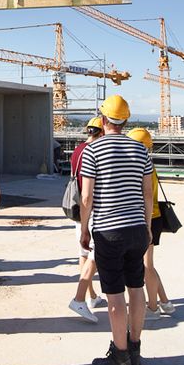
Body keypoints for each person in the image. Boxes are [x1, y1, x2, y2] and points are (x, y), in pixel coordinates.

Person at [80, 95, 154, 365]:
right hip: (137, 228)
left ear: (102, 120)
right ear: (125, 121)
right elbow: (147, 194)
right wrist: (146, 227)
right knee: (136, 287)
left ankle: (120, 357)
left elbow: (87, 196)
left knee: (114, 295)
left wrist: (85, 229)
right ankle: (135, 350)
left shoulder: (92, 150)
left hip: (109, 231)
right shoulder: (140, 149)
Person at [127, 128, 175, 319]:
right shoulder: (148, 164)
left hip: (148, 219)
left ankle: (153, 308)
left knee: (147, 266)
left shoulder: (141, 167)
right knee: (148, 265)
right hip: (152, 218)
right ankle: (165, 302)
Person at [68, 116, 107, 323]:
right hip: (92, 208)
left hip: (78, 210)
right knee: (96, 253)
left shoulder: (77, 150)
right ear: (101, 132)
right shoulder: (96, 152)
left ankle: (91, 296)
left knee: (83, 252)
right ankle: (81, 297)